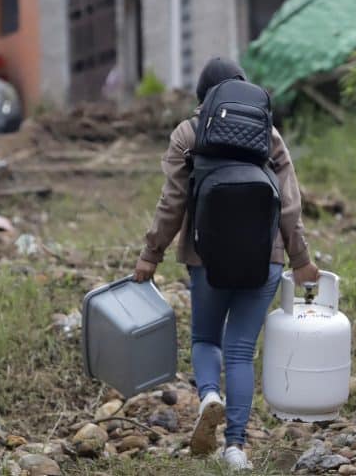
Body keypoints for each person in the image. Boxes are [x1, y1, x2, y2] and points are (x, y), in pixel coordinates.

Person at [133, 57, 318, 471]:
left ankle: (209, 396)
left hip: (206, 257)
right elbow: (289, 203)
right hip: (265, 257)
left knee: (205, 340)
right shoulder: (267, 133)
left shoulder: (188, 132)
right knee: (239, 351)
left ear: (204, 97)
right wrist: (301, 259)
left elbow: (173, 202)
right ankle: (235, 449)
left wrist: (151, 254)